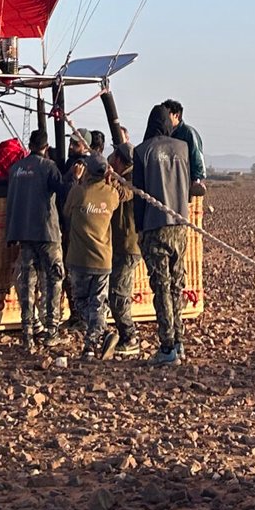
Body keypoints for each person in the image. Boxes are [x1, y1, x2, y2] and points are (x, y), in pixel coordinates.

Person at [132, 105, 192, 365]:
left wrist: (138, 228)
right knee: (177, 285)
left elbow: (139, 196)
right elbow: (188, 187)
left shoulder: (142, 151)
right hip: (180, 226)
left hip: (155, 227)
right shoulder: (182, 148)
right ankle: (178, 342)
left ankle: (166, 347)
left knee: (162, 288)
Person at [4, 129, 65, 354]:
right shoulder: (48, 167)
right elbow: (63, 189)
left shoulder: (16, 169)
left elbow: (11, 201)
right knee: (53, 280)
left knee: (27, 283)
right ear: (46, 147)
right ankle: (52, 330)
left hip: (23, 233)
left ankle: (28, 332)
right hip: (47, 231)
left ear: (29, 145)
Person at [63, 155, 122, 358]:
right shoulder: (111, 194)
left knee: (80, 301)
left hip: (80, 258)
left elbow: (67, 211)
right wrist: (112, 179)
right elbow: (123, 194)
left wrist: (76, 180)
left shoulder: (79, 191)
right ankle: (99, 336)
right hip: (103, 258)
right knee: (98, 302)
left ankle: (92, 343)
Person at [108, 146, 143, 357]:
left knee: (118, 293)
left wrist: (108, 179)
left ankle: (129, 336)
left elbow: (123, 193)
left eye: (112, 157)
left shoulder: (131, 179)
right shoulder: (123, 176)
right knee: (115, 291)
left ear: (119, 160)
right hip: (119, 244)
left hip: (128, 245)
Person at [163, 101, 207, 196]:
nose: (164, 118)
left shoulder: (188, 133)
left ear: (177, 116)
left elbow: (197, 157)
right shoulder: (164, 133)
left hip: (185, 184)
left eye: (167, 114)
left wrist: (196, 180)